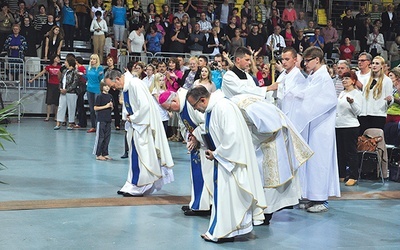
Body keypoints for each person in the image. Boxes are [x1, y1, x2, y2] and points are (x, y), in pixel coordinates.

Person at [186, 86, 267, 243]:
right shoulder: (213, 108)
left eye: (195, 106)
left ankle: (223, 232)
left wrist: (216, 153)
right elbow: (211, 130)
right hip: (224, 160)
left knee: (229, 197)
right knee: (224, 197)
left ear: (202, 100)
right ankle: (224, 231)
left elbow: (232, 139)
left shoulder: (223, 107)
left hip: (232, 161)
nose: (196, 109)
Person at [230, 93, 313, 224]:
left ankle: (266, 214)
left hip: (273, 139)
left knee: (269, 177)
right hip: (263, 137)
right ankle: (261, 212)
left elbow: (270, 127)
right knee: (260, 175)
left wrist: (247, 140)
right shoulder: (235, 105)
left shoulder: (246, 108)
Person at [283, 46, 340, 212]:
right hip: (312, 125)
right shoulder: (314, 76)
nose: (305, 64)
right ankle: (311, 196)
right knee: (310, 162)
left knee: (319, 162)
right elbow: (308, 93)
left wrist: (301, 97)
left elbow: (328, 100)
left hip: (321, 128)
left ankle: (321, 199)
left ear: (317, 60)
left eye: (307, 61)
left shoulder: (323, 77)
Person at [104, 70, 174, 197]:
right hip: (135, 125)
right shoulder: (127, 86)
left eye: (114, 86)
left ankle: (140, 185)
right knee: (133, 155)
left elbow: (145, 107)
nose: (114, 89)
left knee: (141, 156)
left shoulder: (135, 84)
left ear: (118, 79)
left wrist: (134, 117)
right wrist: (127, 116)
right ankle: (131, 183)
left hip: (143, 126)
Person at [159, 89, 213, 216]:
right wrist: (189, 137)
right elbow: (184, 126)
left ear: (174, 100)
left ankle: (205, 206)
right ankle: (198, 203)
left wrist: (195, 136)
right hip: (198, 144)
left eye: (169, 108)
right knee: (197, 175)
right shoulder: (181, 106)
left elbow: (207, 122)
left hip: (206, 145)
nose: (171, 111)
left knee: (205, 175)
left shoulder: (190, 104)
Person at [335, 71, 363, 186]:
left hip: (350, 126)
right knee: (340, 152)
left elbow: (358, 112)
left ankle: (353, 176)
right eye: (343, 78)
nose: (344, 80)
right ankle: (341, 174)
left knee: (350, 152)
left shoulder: (357, 94)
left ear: (353, 81)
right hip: (339, 125)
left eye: (347, 78)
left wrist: (352, 103)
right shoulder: (341, 93)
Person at [359, 56, 393, 134]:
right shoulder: (366, 79)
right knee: (364, 141)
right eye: (373, 63)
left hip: (378, 114)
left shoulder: (387, 80)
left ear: (382, 66)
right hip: (364, 114)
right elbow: (363, 96)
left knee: (374, 140)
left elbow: (390, 98)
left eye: (377, 63)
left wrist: (389, 100)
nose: (374, 65)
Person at [28, 55, 61, 121]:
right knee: (49, 101)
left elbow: (61, 76)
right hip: (50, 84)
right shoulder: (49, 67)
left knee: (56, 102)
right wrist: (33, 79)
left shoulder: (60, 67)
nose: (58, 59)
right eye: (56, 58)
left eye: (58, 58)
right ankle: (47, 116)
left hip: (58, 85)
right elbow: (41, 73)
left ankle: (56, 116)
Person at [275, 47, 307, 111]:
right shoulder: (282, 75)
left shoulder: (299, 77)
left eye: (287, 59)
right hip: (280, 108)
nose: (283, 62)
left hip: (292, 111)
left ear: (295, 60)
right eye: (282, 59)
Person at [54, 56, 79, 130]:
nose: (64, 62)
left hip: (71, 92)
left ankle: (71, 123)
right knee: (61, 107)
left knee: (71, 107)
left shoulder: (75, 72)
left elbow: (75, 83)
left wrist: (67, 90)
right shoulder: (64, 71)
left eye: (66, 61)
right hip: (63, 91)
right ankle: (58, 122)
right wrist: (61, 88)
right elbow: (61, 81)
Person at [93, 81, 113, 161]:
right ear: (102, 87)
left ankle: (105, 153)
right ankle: (98, 154)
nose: (107, 87)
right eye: (105, 86)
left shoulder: (110, 96)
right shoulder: (99, 96)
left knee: (107, 137)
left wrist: (111, 107)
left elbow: (111, 108)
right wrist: (106, 106)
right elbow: (95, 108)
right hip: (101, 119)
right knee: (100, 137)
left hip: (108, 119)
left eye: (108, 86)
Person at [85, 54, 104, 133]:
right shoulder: (88, 68)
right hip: (89, 89)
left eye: (94, 59)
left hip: (97, 89)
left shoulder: (100, 68)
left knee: (97, 109)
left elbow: (101, 79)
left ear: (97, 60)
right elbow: (87, 78)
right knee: (91, 109)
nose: (92, 60)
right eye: (91, 59)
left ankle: (99, 126)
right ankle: (93, 126)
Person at [104, 56, 122, 130]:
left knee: (116, 108)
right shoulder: (105, 70)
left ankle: (117, 124)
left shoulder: (117, 71)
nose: (109, 62)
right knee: (106, 107)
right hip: (107, 89)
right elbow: (104, 80)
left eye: (110, 60)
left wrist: (116, 86)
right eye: (108, 60)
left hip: (115, 90)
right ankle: (106, 123)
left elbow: (120, 80)